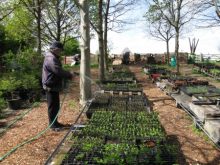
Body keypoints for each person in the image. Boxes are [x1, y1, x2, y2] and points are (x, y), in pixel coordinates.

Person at [42, 41, 77, 131]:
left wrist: (69, 74)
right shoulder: (51, 58)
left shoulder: (52, 57)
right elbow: (57, 71)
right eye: (60, 50)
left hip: (53, 85)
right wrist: (69, 75)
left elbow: (59, 70)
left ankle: (55, 122)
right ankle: (52, 125)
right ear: (56, 49)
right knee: (52, 106)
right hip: (50, 86)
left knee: (55, 106)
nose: (61, 52)